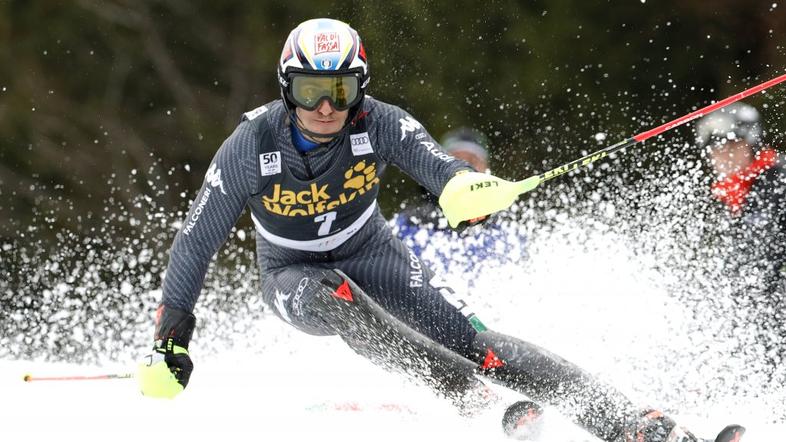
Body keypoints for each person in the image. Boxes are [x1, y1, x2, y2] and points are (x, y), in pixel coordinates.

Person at [137, 18, 741, 442]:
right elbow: (196, 241)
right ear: (286, 88)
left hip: (372, 251)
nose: (326, 106)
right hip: (292, 273)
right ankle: (459, 390)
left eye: (340, 90)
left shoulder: (379, 123)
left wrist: (466, 191)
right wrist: (173, 336)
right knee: (334, 299)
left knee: (475, 339)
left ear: (359, 89)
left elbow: (438, 167)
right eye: (311, 90)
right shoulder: (250, 144)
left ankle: (629, 422)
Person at [696, 102, 786, 373]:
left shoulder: (778, 180)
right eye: (717, 148)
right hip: (758, 318)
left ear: (752, 144)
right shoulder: (735, 194)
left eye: (733, 145)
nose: (725, 155)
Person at [391, 128, 525, 276]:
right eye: (454, 160)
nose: (463, 170)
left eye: (472, 161)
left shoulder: (507, 233)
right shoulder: (408, 224)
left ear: (487, 171)